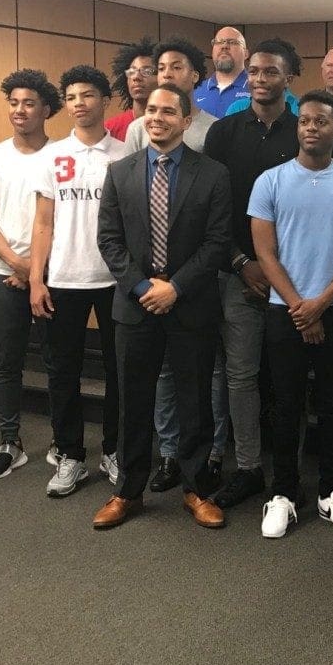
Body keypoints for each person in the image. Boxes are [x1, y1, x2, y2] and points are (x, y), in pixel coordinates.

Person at [92, 84, 232, 529]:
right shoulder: (120, 172)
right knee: (133, 402)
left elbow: (216, 244)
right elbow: (109, 241)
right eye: (151, 110)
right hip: (134, 307)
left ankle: (196, 489)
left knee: (195, 400)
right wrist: (140, 287)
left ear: (187, 120)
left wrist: (175, 287)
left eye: (169, 111)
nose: (158, 118)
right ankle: (126, 491)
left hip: (190, 305)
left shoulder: (212, 174)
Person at [248, 90, 333, 539]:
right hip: (285, 312)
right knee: (284, 407)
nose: (311, 128)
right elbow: (265, 254)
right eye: (305, 121)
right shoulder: (270, 181)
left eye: (321, 121)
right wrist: (302, 309)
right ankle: (282, 493)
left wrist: (321, 304)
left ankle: (331, 491)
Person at [202, 39, 300, 511]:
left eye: (271, 73)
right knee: (239, 374)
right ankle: (247, 468)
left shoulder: (304, 132)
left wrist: (278, 271)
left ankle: (289, 472)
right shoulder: (223, 133)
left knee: (287, 378)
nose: (260, 80)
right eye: (254, 72)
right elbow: (212, 209)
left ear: (289, 79)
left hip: (294, 278)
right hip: (236, 271)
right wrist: (243, 262)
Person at [29, 65, 123, 497]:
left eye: (87, 95)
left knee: (118, 370)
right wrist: (36, 278)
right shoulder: (51, 156)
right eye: (71, 97)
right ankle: (70, 456)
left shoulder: (124, 156)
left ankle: (115, 450)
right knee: (62, 372)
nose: (79, 103)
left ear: (105, 100)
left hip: (115, 280)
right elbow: (43, 223)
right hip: (64, 278)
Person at [0, 69, 62, 479]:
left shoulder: (63, 157)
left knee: (59, 361)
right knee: (6, 363)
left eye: (28, 103)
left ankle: (65, 442)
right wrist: (21, 267)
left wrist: (38, 273)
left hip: (55, 275)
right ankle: (11, 441)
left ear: (46, 109)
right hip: (3, 275)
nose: (19, 110)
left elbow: (68, 221)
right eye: (13, 102)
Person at [125, 36, 217, 153]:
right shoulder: (137, 128)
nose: (167, 74)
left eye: (176, 67)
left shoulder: (213, 127)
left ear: (194, 76)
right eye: (161, 68)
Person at [104, 36, 157, 141]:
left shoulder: (176, 125)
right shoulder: (109, 129)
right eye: (131, 72)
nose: (136, 77)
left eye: (146, 71)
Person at [194, 26, 250, 119]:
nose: (224, 46)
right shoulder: (196, 90)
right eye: (219, 42)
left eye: (232, 42)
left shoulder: (257, 89)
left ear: (246, 54)